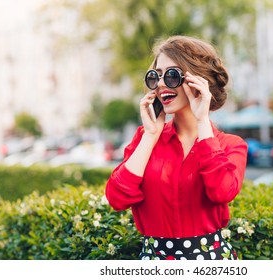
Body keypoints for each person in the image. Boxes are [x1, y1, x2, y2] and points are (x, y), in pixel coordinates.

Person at [105, 35, 248, 260]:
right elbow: (117, 198)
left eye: (171, 75)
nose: (161, 84)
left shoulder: (230, 145)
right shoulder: (146, 139)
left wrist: (202, 122)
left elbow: (222, 191)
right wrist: (151, 135)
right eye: (156, 76)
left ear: (197, 81)